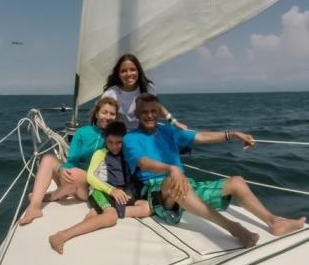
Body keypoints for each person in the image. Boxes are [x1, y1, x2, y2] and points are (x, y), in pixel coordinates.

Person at [123, 93, 306, 247]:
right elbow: (142, 162)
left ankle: (274, 222)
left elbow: (201, 136)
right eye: (144, 112)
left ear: (158, 113)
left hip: (185, 185)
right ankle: (234, 228)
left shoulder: (168, 131)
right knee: (175, 181)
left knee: (237, 182)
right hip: (157, 194)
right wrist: (171, 169)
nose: (149, 115)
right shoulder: (130, 138)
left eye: (153, 111)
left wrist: (232, 134)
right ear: (137, 114)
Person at [48, 121, 151, 254]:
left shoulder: (127, 155)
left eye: (119, 142)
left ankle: (99, 213)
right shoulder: (100, 154)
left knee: (147, 207)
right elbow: (90, 178)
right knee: (111, 217)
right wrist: (111, 190)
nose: (114, 146)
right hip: (100, 191)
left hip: (120, 193)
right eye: (110, 142)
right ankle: (62, 235)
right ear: (105, 140)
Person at [19, 97, 118, 226]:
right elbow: (72, 159)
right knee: (48, 159)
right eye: (104, 112)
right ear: (97, 113)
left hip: (92, 184)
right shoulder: (82, 132)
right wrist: (62, 169)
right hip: (75, 175)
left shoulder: (115, 137)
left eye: (112, 113)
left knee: (74, 174)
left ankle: (53, 195)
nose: (108, 116)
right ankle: (34, 207)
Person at [102, 54, 188, 131]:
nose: (129, 74)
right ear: (118, 74)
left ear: (138, 71)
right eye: (124, 71)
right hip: (120, 137)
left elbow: (158, 107)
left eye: (132, 69)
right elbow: (102, 116)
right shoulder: (111, 93)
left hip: (144, 133)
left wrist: (175, 123)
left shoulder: (147, 88)